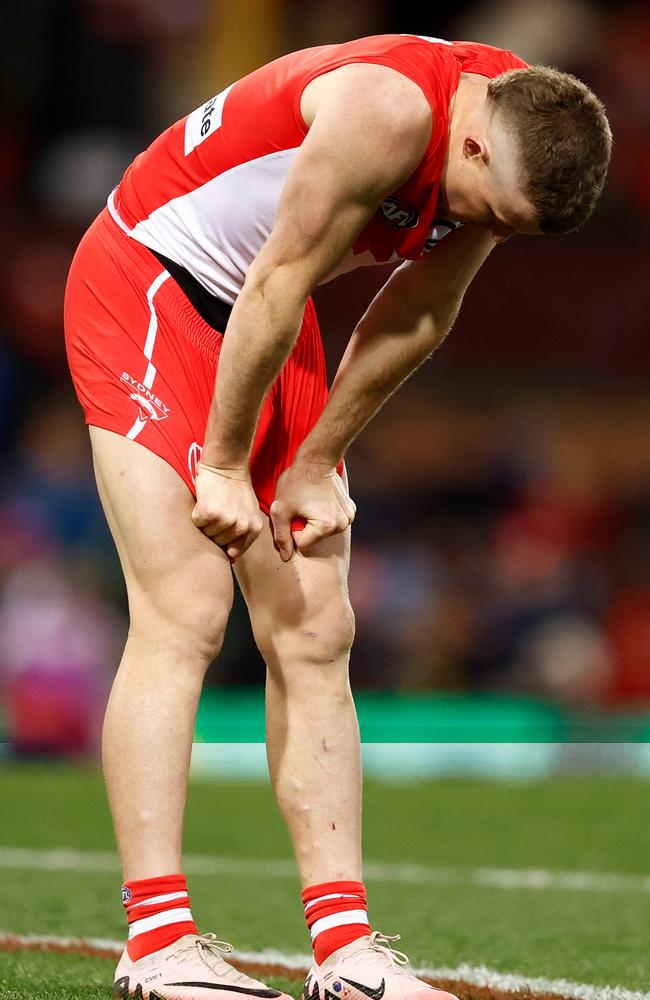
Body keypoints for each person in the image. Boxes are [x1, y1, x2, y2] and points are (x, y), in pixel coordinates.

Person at [63, 32, 611, 1000]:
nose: (488, 231)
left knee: (316, 627)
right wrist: (226, 466)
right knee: (186, 608)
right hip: (150, 281)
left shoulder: (511, 122)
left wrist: (314, 461)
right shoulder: (385, 113)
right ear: (473, 145)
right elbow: (274, 278)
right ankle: (154, 940)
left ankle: (346, 953)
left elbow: (416, 311)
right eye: (492, 214)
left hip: (268, 317)